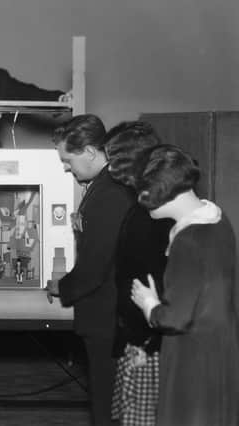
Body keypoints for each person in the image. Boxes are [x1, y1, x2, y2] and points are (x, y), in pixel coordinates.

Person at [131, 145, 239, 426]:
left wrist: (149, 304)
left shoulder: (188, 240)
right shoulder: (217, 219)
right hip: (220, 349)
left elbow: (175, 318)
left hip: (192, 358)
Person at [46, 114, 135, 426]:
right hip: (107, 316)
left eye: (68, 159)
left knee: (105, 404)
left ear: (89, 152)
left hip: (106, 318)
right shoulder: (104, 188)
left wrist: (62, 287)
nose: (66, 167)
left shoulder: (109, 194)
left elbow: (95, 266)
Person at [104, 122, 171, 426]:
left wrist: (144, 341)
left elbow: (152, 276)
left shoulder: (150, 213)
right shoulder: (145, 205)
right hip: (141, 335)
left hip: (145, 340)